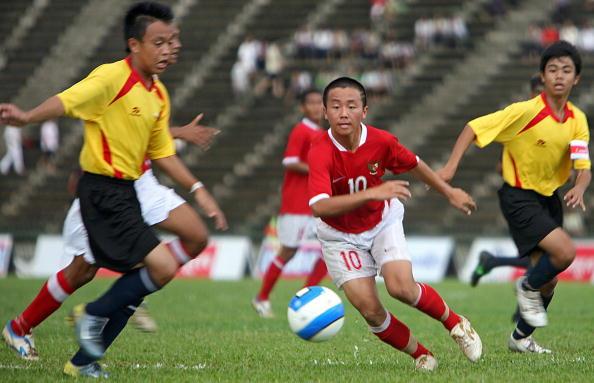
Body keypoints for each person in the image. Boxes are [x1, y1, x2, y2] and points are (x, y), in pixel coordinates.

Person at [0, 2, 226, 378]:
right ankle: (26, 328)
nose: (170, 49)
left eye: (174, 41)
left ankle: (107, 319)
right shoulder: (110, 78)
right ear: (134, 45)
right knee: (83, 271)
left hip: (142, 183)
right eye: (160, 42)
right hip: (105, 190)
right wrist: (25, 117)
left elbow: (157, 146)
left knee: (193, 238)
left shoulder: (158, 93)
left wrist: (198, 187)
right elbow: (68, 100)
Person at [308, 77, 482, 372]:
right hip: (339, 236)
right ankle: (422, 355)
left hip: (381, 222)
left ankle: (456, 324)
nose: (343, 113)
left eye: (351, 106)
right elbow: (318, 206)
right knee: (370, 311)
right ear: (325, 112)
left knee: (401, 288)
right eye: (335, 106)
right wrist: (372, 192)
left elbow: (415, 164)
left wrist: (449, 192)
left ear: (364, 111)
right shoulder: (319, 149)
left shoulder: (381, 141)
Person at [437, 41, 590, 354]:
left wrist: (580, 187)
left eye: (566, 70)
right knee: (564, 253)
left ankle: (520, 338)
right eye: (552, 70)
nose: (559, 76)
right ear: (542, 76)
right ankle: (526, 285)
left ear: (576, 79)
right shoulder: (526, 111)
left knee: (550, 280)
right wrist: (450, 167)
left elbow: (582, 165)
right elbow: (472, 127)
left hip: (550, 198)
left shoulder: (577, 119)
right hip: (518, 195)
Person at [252, 89, 327, 318]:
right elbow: (290, 161)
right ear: (303, 107)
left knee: (329, 250)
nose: (316, 107)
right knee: (288, 251)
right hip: (296, 203)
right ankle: (262, 298)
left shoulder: (322, 133)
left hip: (317, 203)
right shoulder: (301, 131)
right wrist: (318, 169)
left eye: (319, 103)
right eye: (311, 103)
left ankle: (305, 297)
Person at [470, 74, 544, 288]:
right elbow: (501, 166)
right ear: (531, 93)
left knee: (542, 256)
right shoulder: (521, 119)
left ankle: (492, 262)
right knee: (543, 256)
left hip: (542, 195)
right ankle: (523, 312)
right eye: (539, 91)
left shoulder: (550, 123)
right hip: (523, 197)